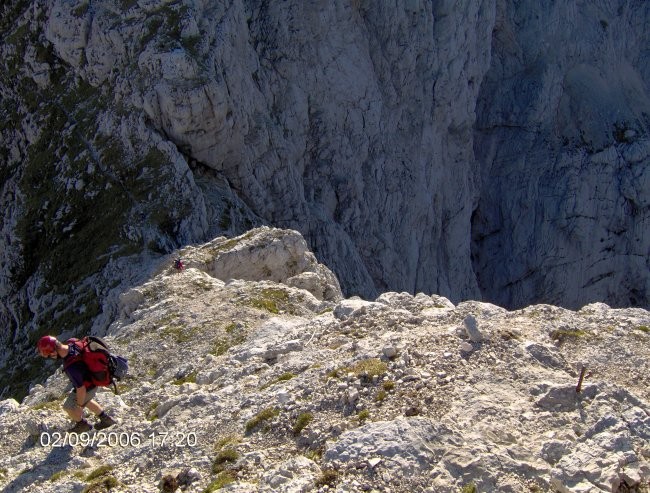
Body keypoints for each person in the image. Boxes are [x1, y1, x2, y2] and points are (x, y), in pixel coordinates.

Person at [37, 335, 116, 433]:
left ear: (53, 352)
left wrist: (79, 407)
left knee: (69, 407)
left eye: (49, 356)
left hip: (88, 386)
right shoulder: (72, 343)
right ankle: (106, 419)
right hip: (93, 379)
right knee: (86, 400)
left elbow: (81, 389)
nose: (51, 358)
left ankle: (82, 425)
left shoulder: (71, 367)